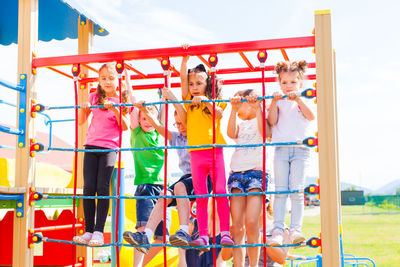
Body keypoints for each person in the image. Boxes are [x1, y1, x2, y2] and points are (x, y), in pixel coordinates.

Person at [124, 87, 210, 267]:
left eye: (182, 123)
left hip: (201, 177)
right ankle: (146, 235)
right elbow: (157, 124)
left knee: (178, 188)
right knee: (165, 195)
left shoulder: (197, 134)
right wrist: (145, 110)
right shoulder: (175, 137)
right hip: (183, 180)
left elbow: (177, 115)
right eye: (176, 124)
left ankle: (183, 231)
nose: (180, 127)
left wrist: (171, 97)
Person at [73, 63, 129, 246]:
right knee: (88, 187)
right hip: (90, 146)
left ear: (118, 79)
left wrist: (114, 109)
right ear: (99, 80)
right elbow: (82, 122)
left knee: (103, 188)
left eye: (111, 78)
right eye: (103, 78)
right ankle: (88, 231)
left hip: (109, 148)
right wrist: (83, 108)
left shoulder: (121, 98)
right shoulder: (94, 96)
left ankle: (98, 231)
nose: (107, 81)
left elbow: (125, 126)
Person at [180, 54, 233, 249]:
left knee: (220, 191)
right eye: (192, 84)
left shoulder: (216, 101)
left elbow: (216, 113)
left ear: (207, 84)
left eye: (199, 83)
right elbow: (182, 82)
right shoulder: (188, 101)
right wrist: (184, 60)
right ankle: (203, 235)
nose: (194, 87)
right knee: (201, 195)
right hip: (196, 154)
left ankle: (225, 233)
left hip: (214, 151)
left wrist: (203, 99)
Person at [122, 73, 169, 267]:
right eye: (143, 118)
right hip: (145, 188)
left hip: (163, 190)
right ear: (138, 120)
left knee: (162, 239)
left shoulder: (161, 134)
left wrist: (167, 76)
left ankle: (140, 265)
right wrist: (126, 78)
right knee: (142, 232)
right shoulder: (137, 134)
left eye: (151, 117)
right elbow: (133, 104)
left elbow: (164, 107)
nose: (147, 121)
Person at [267, 60, 315, 246]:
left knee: (296, 190)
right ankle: (278, 229)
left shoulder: (304, 97)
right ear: (279, 83)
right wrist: (273, 102)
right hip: (281, 149)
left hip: (300, 150)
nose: (288, 86)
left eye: (293, 82)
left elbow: (311, 116)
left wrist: (298, 99)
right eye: (284, 82)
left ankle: (296, 229)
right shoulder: (279, 100)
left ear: (300, 83)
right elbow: (271, 121)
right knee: (280, 191)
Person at [227, 89, 271, 267]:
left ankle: (253, 265)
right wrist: (232, 109)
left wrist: (257, 107)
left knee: (252, 222)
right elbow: (230, 134)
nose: (239, 108)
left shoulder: (261, 118)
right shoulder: (241, 125)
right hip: (237, 174)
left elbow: (265, 134)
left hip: (256, 174)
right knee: (236, 226)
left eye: (241, 103)